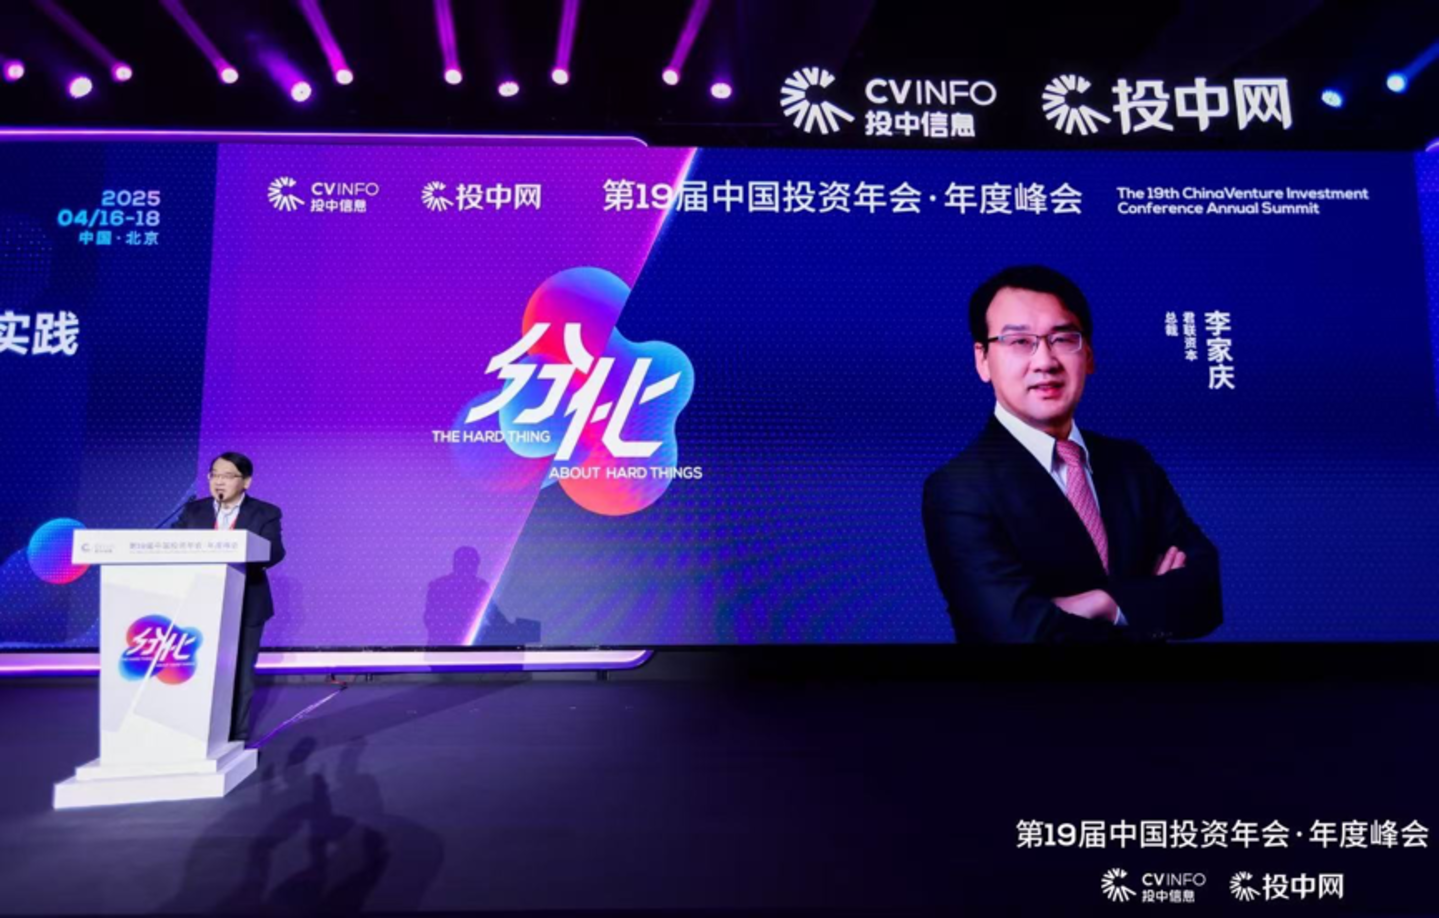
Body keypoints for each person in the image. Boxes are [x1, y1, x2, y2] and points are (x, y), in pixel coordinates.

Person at [922, 265, 1222, 643]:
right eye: (1020, 342)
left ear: (1089, 355)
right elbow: (1022, 635)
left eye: (1063, 339)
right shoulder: (958, 489)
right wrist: (1150, 603)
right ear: (982, 359)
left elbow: (1207, 592)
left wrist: (1104, 604)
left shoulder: (1132, 464)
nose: (1045, 361)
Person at [173, 452, 285, 741]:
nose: (219, 481)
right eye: (214, 475)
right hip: (196, 602)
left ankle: (234, 737)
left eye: (227, 475)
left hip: (246, 602)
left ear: (245, 481)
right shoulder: (193, 511)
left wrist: (241, 549)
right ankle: (192, 733)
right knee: (195, 670)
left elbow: (275, 551)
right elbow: (170, 544)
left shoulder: (265, 512)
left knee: (239, 672)